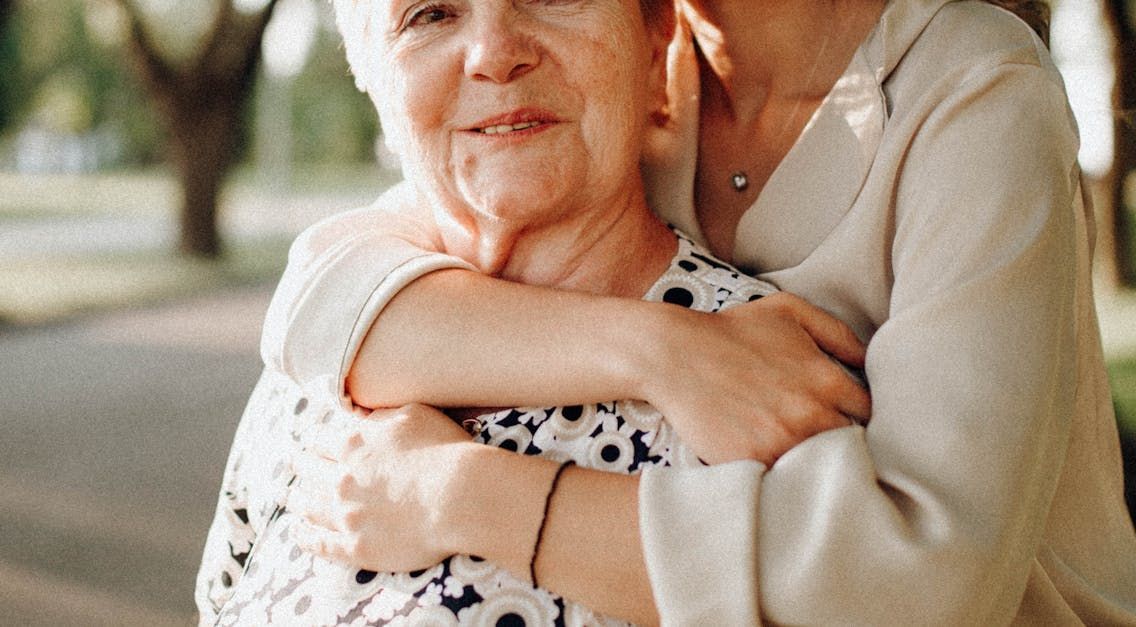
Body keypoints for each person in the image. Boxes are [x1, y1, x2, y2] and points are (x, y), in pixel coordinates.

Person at [210, 0, 1136, 625]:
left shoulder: (973, 90)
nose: (495, 49)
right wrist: (659, 349)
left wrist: (460, 497)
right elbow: (329, 297)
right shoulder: (644, 73)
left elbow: (922, 579)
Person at [197, 1, 843, 624]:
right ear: (370, 75)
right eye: (430, 14)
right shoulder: (332, 356)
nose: (494, 55)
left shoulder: (760, 374)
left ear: (656, 42)